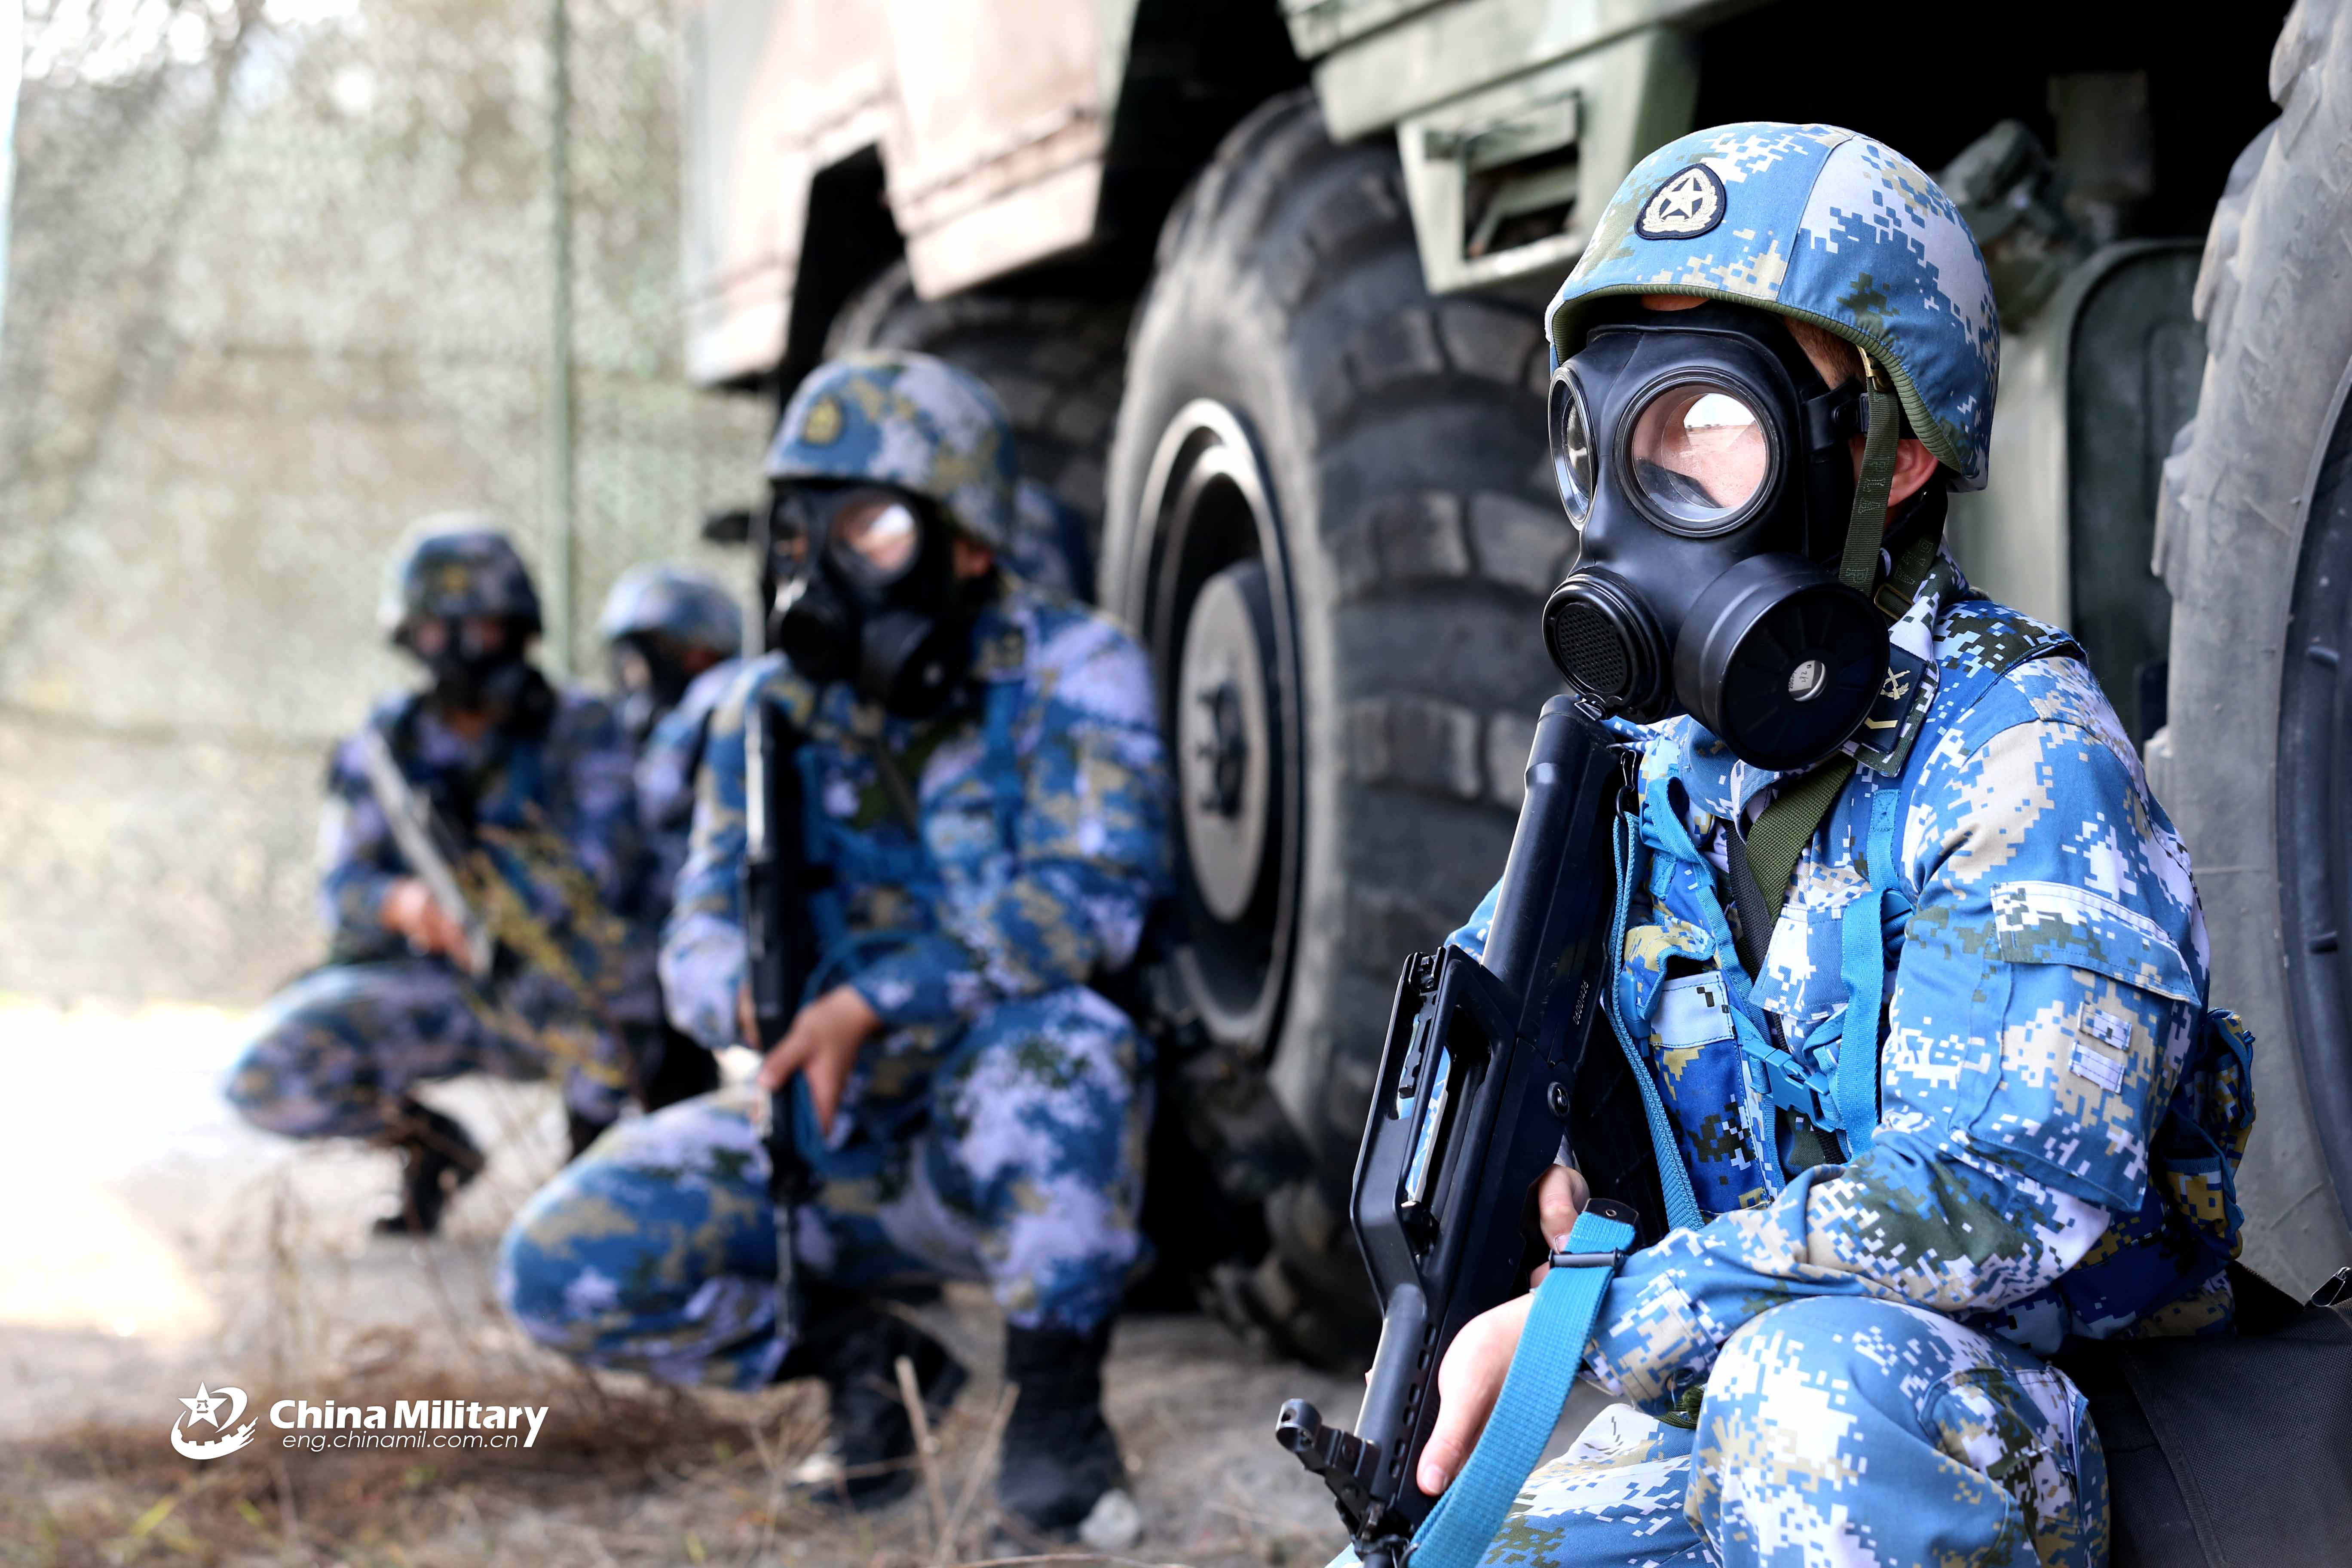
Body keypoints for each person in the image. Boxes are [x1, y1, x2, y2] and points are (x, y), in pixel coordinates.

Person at [1384, 124, 2245, 1568]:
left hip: (1989, 1414)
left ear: (1892, 454)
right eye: (1615, 419)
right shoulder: (1647, 767)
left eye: (1709, 413)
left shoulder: (2018, 748)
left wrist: (1591, 1315)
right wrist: (1540, 1158)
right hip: (1722, 1405)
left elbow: (1995, 1199)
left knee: (1815, 1391)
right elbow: (1501, 1045)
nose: (1652, 476)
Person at [499, 352, 1173, 1542]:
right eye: (801, 530)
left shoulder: (1075, 667)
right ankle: (876, 1372)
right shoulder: (761, 711)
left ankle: (1058, 1419)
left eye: (864, 524)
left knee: (1070, 1049)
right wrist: (747, 1007)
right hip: (822, 1119)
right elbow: (695, 932)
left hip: (998, 1136)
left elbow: (1092, 901)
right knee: (558, 1264)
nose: (818, 563)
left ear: (968, 540)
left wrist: (871, 999)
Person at [227, 518, 653, 1234]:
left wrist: (504, 908)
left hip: (562, 982)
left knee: (639, 993)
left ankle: (588, 1192)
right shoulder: (387, 744)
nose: (457, 651)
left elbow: (606, 866)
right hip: (440, 985)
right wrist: (405, 902)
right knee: (270, 1071)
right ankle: (431, 1149)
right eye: (434, 631)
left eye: (479, 628)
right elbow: (341, 890)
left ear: (518, 631)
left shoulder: (581, 727)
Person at [598, 562, 743, 1112]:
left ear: (696, 649)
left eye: (645, 654)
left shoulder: (722, 692)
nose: (633, 676)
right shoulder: (689, 708)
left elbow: (649, 803)